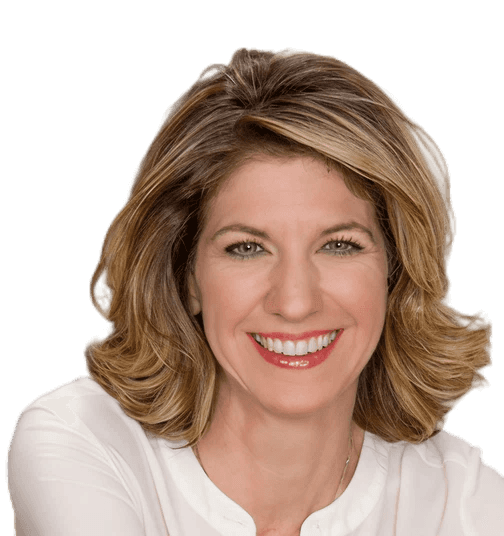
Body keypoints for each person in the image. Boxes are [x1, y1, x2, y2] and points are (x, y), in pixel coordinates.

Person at [6, 47, 502, 535]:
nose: (295, 302)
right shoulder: (81, 442)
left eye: (339, 245)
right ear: (187, 278)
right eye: (247, 248)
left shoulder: (460, 499)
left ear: (394, 273)